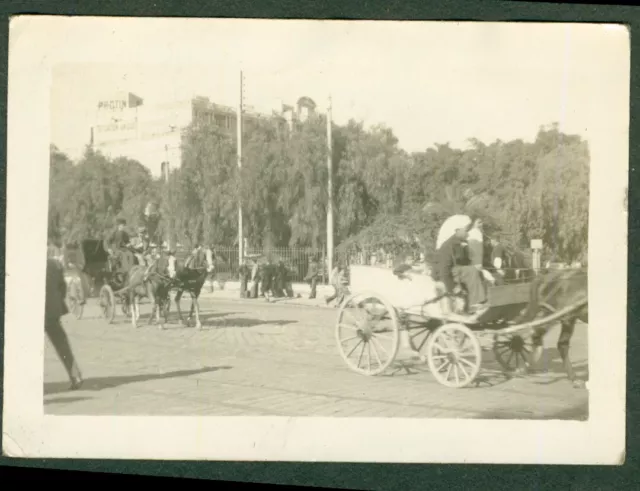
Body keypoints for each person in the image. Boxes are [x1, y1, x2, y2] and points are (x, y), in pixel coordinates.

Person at [433, 216, 487, 314]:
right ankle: (474, 304)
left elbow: (465, 262)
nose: (467, 233)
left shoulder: (461, 244)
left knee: (478, 271)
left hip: (457, 272)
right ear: (457, 231)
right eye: (466, 230)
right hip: (448, 275)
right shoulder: (447, 246)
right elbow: (443, 270)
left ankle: (482, 300)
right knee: (471, 271)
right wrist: (452, 287)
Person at [45, 254, 83, 391]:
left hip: (31, 310)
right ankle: (75, 375)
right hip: (52, 310)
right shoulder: (54, 264)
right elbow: (62, 287)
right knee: (62, 343)